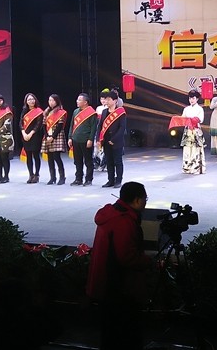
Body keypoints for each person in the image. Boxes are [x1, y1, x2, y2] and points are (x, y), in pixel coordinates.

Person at [86, 181, 152, 350]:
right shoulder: (124, 221)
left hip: (106, 283)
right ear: (137, 200)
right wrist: (148, 261)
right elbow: (126, 257)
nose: (145, 203)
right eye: (145, 199)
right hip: (118, 287)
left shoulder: (111, 214)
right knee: (123, 334)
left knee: (110, 332)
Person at [97, 90, 127, 188]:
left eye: (109, 99)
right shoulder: (104, 112)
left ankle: (118, 180)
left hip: (116, 141)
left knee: (117, 161)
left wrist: (113, 139)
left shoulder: (121, 112)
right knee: (109, 161)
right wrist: (98, 139)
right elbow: (100, 126)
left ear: (115, 101)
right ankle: (110, 180)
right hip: (106, 141)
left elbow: (122, 128)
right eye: (106, 99)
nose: (107, 101)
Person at [68, 93, 98, 186]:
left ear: (85, 102)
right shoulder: (75, 111)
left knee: (88, 161)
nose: (77, 101)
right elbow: (72, 125)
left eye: (79, 100)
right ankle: (78, 179)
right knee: (77, 161)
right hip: (75, 139)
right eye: (77, 99)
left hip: (86, 140)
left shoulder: (91, 112)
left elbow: (93, 127)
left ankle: (88, 179)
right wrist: (70, 137)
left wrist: (90, 139)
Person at [42, 94, 67, 185]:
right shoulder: (46, 112)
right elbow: (44, 125)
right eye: (49, 100)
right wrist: (47, 136)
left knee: (57, 157)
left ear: (57, 101)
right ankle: (52, 177)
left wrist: (53, 136)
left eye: (53, 100)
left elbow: (60, 125)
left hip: (57, 135)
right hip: (48, 136)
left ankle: (62, 177)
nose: (51, 102)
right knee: (50, 158)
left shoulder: (60, 112)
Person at [20, 93, 44, 184]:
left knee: (36, 155)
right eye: (29, 99)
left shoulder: (39, 111)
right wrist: (23, 133)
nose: (31, 101)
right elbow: (20, 123)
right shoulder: (24, 111)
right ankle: (31, 174)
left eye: (32, 99)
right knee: (28, 156)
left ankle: (37, 175)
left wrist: (31, 133)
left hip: (35, 136)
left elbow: (38, 124)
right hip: (25, 136)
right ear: (26, 101)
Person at [181, 90, 206, 174]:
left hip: (196, 130)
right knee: (187, 149)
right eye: (190, 98)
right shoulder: (186, 109)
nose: (191, 100)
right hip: (188, 130)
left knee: (196, 149)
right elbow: (183, 118)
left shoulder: (200, 109)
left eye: (193, 98)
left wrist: (192, 120)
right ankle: (187, 167)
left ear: (197, 99)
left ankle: (197, 168)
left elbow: (201, 119)